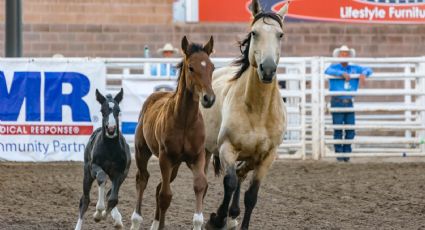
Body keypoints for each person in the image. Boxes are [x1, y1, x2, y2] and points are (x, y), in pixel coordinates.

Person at [325, 45, 373, 162]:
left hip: (349, 101)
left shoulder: (355, 68)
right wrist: (341, 74)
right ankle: (339, 155)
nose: (344, 56)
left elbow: (369, 69)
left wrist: (364, 74)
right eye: (342, 54)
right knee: (338, 129)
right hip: (337, 100)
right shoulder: (334, 67)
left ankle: (346, 153)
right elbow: (327, 70)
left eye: (346, 54)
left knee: (350, 129)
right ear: (338, 55)